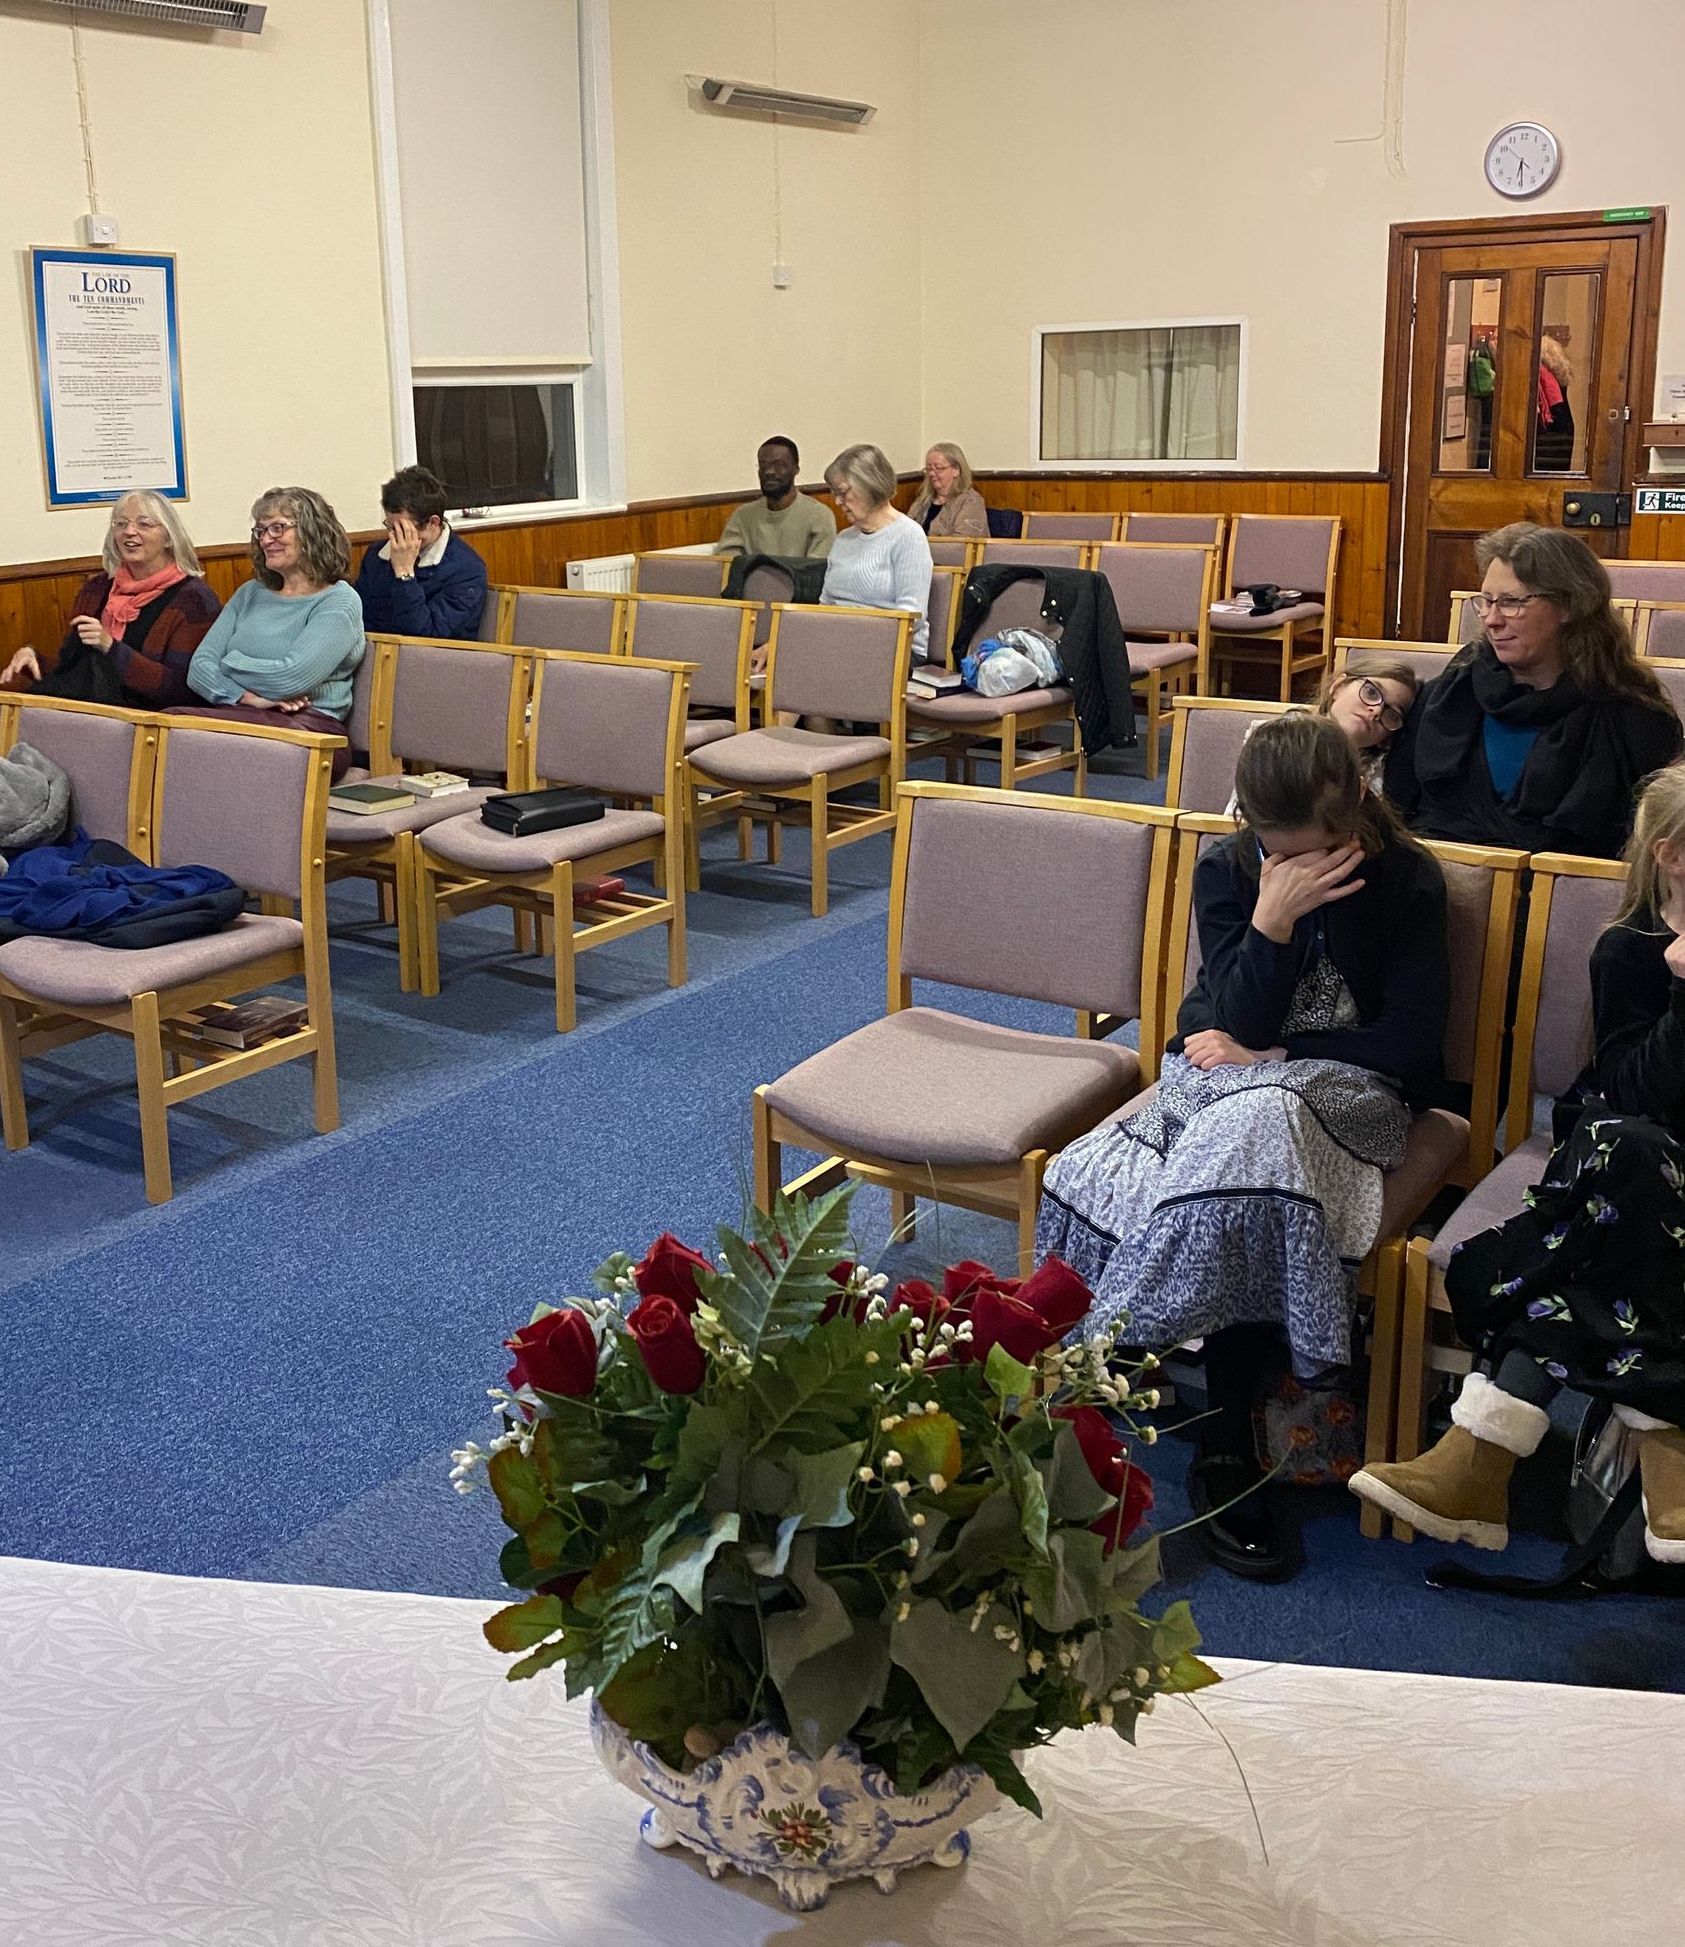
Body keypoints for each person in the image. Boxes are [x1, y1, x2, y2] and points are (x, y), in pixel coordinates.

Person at [1038, 713, 1450, 1581]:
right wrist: (1270, 925)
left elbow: (1411, 1046)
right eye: (1276, 849)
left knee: (1254, 1139)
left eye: (1311, 851)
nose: (1292, 866)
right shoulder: (1232, 869)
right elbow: (1222, 1020)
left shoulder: (1407, 880)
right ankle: (1123, 1362)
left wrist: (1281, 1057)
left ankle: (1179, 1409)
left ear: (1354, 806)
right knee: (1088, 1166)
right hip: (1226, 1082)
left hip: (1350, 1096)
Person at [1351, 764, 1685, 1563]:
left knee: (1584, 1227)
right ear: (1674, 856)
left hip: (1625, 1180)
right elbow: (1636, 1089)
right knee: (1623, 1152)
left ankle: (1479, 1457)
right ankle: (1668, 1455)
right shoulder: (1630, 950)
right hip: (1634, 1158)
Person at [1385, 523, 1680, 859]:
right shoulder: (1448, 697)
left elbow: (1648, 858)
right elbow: (1396, 818)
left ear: (1569, 605)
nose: (1492, 619)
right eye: (1486, 601)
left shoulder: (1635, 721)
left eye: (1512, 602)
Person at [179, 488, 365, 780]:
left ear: (314, 532)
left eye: (278, 528)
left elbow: (290, 677)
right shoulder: (250, 593)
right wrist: (246, 697)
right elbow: (199, 669)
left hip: (314, 733)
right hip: (247, 715)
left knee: (194, 746)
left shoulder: (339, 601)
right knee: (169, 727)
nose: (266, 539)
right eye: (261, 531)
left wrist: (229, 661)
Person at [0, 493, 219, 708]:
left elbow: (183, 689)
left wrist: (111, 648)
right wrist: (34, 660)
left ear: (169, 537)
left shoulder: (194, 600)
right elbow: (77, 671)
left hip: (149, 722)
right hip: (91, 713)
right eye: (120, 524)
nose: (129, 532)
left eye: (144, 524)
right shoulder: (97, 589)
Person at [1222, 659, 1420, 815]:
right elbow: (1242, 821)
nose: (1376, 710)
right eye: (1371, 692)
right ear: (1338, 686)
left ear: (1386, 738)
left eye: (1392, 714)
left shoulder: (1383, 776)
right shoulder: (1274, 739)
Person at [821, 443, 932, 660]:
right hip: (839, 645)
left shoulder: (908, 535)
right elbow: (825, 605)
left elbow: (911, 618)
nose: (837, 502)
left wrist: (850, 639)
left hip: (896, 651)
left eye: (843, 492)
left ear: (869, 485)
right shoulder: (843, 539)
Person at [354, 464, 488, 640]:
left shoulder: (467, 570)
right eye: (390, 527)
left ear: (433, 522)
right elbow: (360, 621)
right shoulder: (376, 556)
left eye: (403, 528)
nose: (395, 537)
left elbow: (427, 637)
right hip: (380, 656)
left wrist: (404, 575)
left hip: (436, 661)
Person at [715, 437, 835, 559]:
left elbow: (815, 571)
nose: (769, 472)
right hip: (753, 578)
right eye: (763, 465)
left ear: (795, 469)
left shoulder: (819, 516)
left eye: (779, 465)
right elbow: (726, 563)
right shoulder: (743, 516)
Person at [906, 443, 988, 537]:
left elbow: (962, 542)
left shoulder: (971, 501)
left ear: (956, 470)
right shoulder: (922, 501)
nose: (932, 473)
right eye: (929, 469)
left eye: (938, 468)